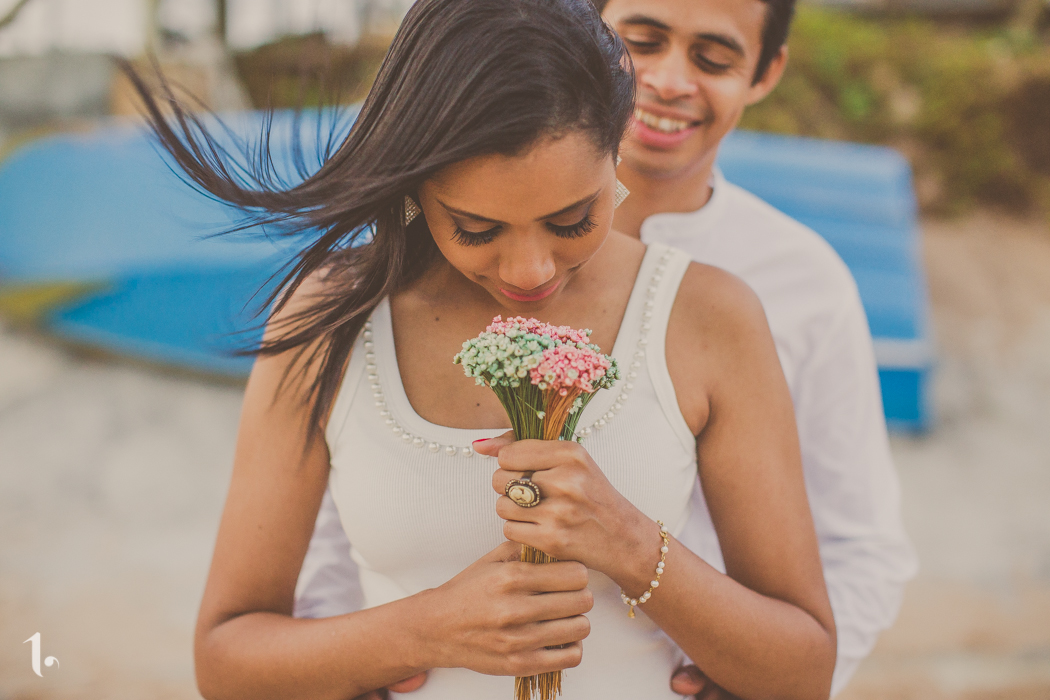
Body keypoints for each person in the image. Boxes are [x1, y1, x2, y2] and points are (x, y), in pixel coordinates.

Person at [130, 0, 839, 698]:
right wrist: (422, 630)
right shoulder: (331, 323)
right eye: (475, 228)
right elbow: (226, 660)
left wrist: (627, 542)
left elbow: (803, 668)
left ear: (617, 145)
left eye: (572, 219)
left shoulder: (708, 315)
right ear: (417, 187)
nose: (529, 270)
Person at [295, 0, 918, 697]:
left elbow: (854, 554)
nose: (668, 80)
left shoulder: (768, 292)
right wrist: (361, 653)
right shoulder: (355, 313)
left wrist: (744, 672)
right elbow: (340, 528)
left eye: (712, 58)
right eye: (643, 41)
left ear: (767, 71)